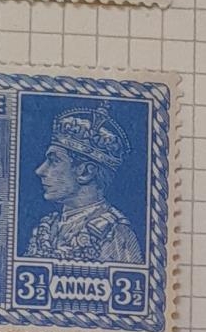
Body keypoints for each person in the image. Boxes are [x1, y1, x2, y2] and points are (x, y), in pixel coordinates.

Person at [23, 107, 143, 264]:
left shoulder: (115, 232)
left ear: (85, 172)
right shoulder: (46, 226)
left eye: (54, 161)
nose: (40, 171)